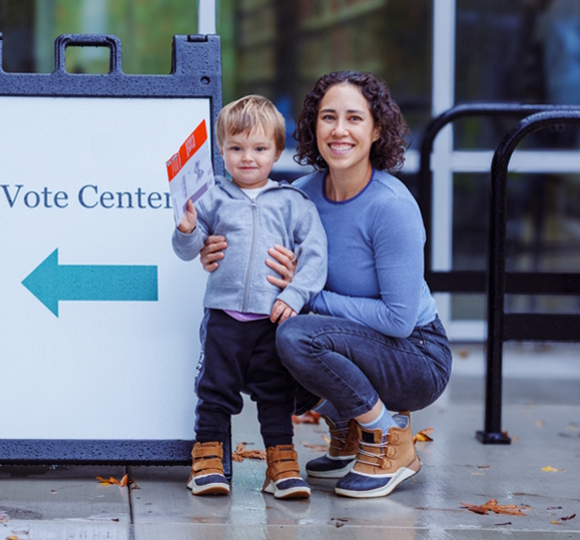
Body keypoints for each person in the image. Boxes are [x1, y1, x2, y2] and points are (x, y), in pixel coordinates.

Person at [200, 71, 451, 499]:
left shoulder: (391, 207)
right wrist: (212, 252)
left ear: (376, 131)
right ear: (312, 127)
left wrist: (308, 294)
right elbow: (257, 275)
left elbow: (398, 319)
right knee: (244, 337)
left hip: (416, 356)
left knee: (295, 334)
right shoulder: (299, 195)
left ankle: (388, 435)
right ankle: (347, 421)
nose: (339, 130)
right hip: (345, 339)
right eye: (328, 117)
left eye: (354, 118)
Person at [172, 95, 327, 499]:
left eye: (259, 149)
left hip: (271, 321)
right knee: (215, 389)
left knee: (275, 394)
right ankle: (207, 462)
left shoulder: (293, 202)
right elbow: (189, 251)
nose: (247, 158)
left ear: (277, 151)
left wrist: (294, 294)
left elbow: (315, 256)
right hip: (224, 318)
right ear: (221, 151)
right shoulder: (211, 198)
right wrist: (188, 229)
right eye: (236, 148)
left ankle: (281, 465)